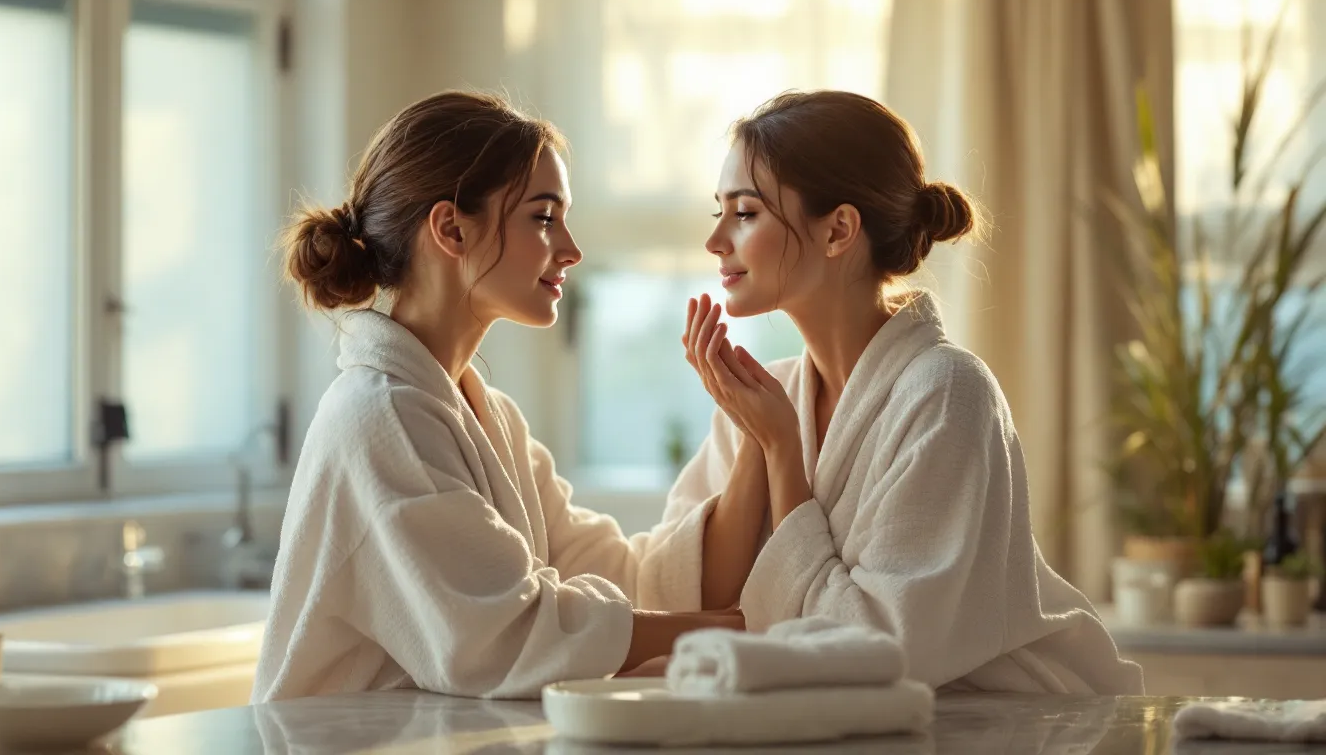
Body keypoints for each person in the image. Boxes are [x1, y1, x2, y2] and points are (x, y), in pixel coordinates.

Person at [253, 91, 740, 703]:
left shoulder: (483, 417)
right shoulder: (384, 417)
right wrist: (732, 634)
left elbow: (613, 574)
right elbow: (503, 637)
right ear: (452, 229)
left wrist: (766, 440)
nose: (571, 248)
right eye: (543, 217)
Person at [665, 90, 1143, 694]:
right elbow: (699, 601)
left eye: (746, 212)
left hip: (1005, 727)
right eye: (720, 211)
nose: (716, 242)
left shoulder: (947, 393)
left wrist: (784, 449)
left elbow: (878, 651)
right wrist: (760, 443)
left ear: (838, 229)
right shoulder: (768, 394)